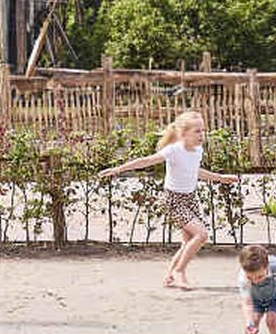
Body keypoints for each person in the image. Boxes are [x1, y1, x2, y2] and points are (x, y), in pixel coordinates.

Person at [92, 108, 219, 289]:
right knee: (202, 234)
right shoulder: (174, 150)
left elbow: (195, 171)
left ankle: (169, 277)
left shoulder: (197, 150)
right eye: (197, 131)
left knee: (187, 242)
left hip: (190, 199)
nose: (202, 135)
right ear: (183, 133)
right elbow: (145, 161)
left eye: (203, 130)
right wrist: (118, 169)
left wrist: (221, 178)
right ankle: (179, 272)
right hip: (174, 200)